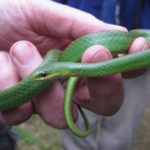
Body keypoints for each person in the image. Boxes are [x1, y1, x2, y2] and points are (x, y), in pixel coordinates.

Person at [0, 0, 149, 149]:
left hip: (134, 32)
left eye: (44, 75)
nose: (38, 77)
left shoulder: (63, 65)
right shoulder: (59, 65)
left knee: (121, 127)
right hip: (76, 48)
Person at [51, 0, 150, 150]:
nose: (40, 77)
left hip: (137, 49)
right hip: (78, 42)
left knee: (121, 131)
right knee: (77, 120)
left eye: (44, 75)